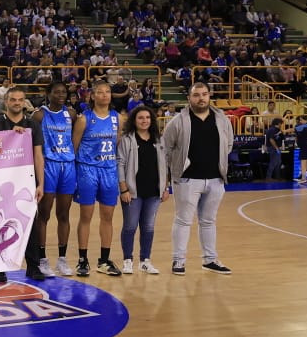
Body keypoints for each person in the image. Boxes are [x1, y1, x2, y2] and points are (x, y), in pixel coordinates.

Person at [161, 81, 234, 275]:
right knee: (183, 220)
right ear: (189, 98)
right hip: (187, 179)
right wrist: (168, 177)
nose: (201, 98)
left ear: (209, 96)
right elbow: (165, 150)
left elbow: (229, 145)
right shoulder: (177, 121)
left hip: (215, 179)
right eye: (196, 95)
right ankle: (178, 261)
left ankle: (210, 260)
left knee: (209, 221)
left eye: (204, 94)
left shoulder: (222, 119)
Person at [0, 85, 46, 282]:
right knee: (0, 223)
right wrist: (10, 136)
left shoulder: (33, 125)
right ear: (6, 102)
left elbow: (38, 156)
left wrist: (41, 184)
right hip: (1, 182)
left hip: (27, 183)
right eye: (13, 99)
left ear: (24, 102)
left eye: (20, 100)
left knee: (30, 223)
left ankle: (33, 265)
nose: (16, 103)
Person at [71, 80, 123, 277]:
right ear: (92, 96)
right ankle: (82, 260)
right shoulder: (85, 119)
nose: (104, 95)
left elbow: (117, 141)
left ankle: (104, 260)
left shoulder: (117, 118)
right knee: (86, 216)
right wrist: (76, 176)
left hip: (109, 170)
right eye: (100, 92)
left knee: (107, 217)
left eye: (107, 92)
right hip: (87, 170)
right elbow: (74, 148)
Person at [116, 105, 169, 275]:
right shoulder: (127, 139)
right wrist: (124, 189)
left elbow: (164, 165)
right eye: (140, 118)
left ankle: (145, 261)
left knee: (148, 228)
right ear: (134, 120)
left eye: (147, 117)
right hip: (133, 192)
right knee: (130, 227)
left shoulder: (159, 139)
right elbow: (120, 164)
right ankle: (127, 260)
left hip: (154, 192)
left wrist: (165, 187)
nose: (144, 120)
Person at [32, 81, 76, 277]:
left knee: (64, 214)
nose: (61, 95)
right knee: (44, 214)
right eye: (56, 92)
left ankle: (62, 259)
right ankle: (42, 259)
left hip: (67, 166)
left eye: (64, 92)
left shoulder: (72, 114)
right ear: (48, 94)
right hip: (48, 165)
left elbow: (75, 139)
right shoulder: (40, 115)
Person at [262, 117, 285, 181]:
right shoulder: (272, 130)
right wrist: (276, 148)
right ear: (278, 123)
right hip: (273, 148)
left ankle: (277, 176)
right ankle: (268, 177)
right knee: (273, 162)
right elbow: (271, 139)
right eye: (281, 123)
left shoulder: (278, 130)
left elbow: (282, 138)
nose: (281, 125)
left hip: (276, 147)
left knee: (278, 162)